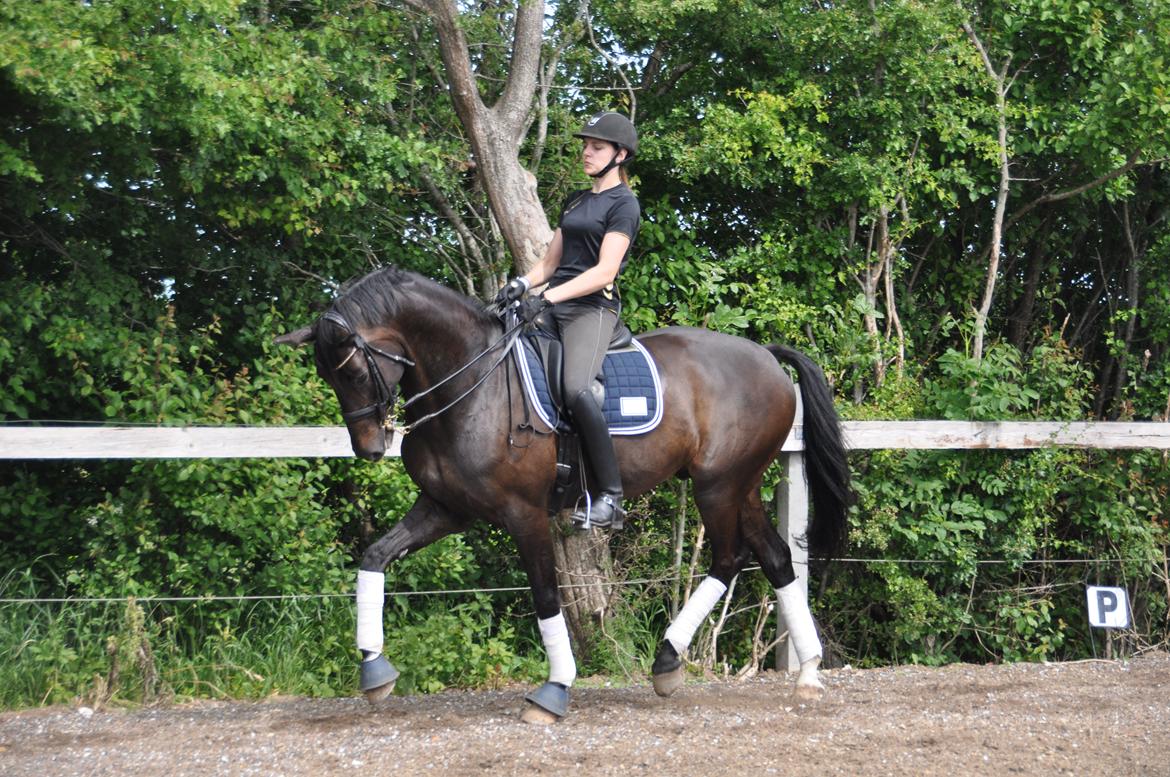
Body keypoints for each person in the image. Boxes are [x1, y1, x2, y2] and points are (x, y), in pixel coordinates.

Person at [495, 111, 641, 530]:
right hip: (552, 305)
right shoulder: (576, 201)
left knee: (577, 388)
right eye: (586, 145)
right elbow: (550, 262)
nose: (586, 152)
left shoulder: (624, 205)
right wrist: (522, 285)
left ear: (620, 155)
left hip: (592, 310)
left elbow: (604, 271)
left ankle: (610, 498)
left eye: (597, 147)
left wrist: (550, 296)